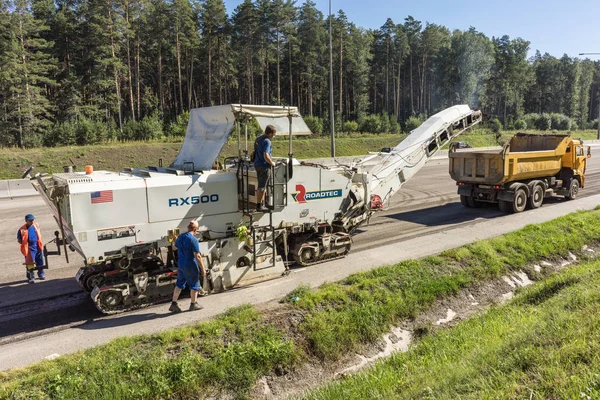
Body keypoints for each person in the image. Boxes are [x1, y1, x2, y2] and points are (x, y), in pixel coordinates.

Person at [169, 220, 207, 313]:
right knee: (194, 284)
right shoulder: (193, 239)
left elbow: (174, 247)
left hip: (181, 264)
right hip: (190, 264)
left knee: (179, 284)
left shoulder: (181, 236)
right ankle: (193, 304)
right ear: (196, 229)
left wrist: (175, 240)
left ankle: (174, 304)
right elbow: (197, 256)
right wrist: (203, 269)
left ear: (188, 228)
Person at [253, 124, 277, 212]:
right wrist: (272, 163)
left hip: (257, 164)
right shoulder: (267, 141)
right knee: (262, 187)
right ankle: (259, 205)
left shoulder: (258, 139)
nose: (274, 136)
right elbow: (266, 155)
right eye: (274, 134)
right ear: (270, 133)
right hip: (264, 166)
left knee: (261, 185)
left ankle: (261, 203)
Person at [17, 214, 46, 283]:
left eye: (33, 220)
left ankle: (41, 274)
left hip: (37, 246)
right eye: (30, 220)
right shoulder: (22, 229)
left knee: (40, 261)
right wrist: (26, 245)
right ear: (26, 220)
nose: (32, 221)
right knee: (30, 263)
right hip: (29, 248)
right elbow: (19, 240)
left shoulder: (35, 226)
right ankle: (31, 277)